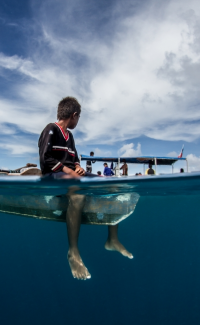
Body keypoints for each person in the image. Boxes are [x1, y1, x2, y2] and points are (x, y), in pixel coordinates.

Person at [38, 96, 132, 280]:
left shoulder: (70, 136)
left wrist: (78, 167)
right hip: (53, 176)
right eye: (78, 118)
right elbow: (45, 159)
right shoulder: (50, 129)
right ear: (74, 115)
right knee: (78, 195)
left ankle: (112, 239)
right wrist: (69, 171)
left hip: (69, 174)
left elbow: (74, 159)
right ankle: (73, 251)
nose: (77, 121)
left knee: (113, 186)